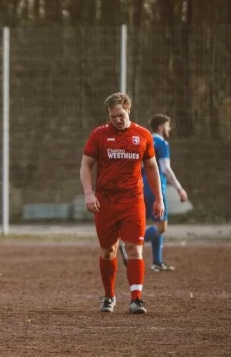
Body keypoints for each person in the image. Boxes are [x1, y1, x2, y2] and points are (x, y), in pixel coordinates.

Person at [80, 92, 164, 315]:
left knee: (134, 249)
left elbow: (152, 168)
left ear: (129, 110)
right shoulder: (98, 135)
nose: (117, 119)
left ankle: (136, 299)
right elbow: (86, 165)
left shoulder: (143, 135)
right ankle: (109, 296)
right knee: (108, 251)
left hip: (132, 200)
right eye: (112, 116)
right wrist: (89, 194)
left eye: (120, 115)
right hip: (105, 202)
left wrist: (158, 198)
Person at [141, 114, 188, 272]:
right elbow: (166, 169)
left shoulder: (143, 141)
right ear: (160, 127)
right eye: (167, 126)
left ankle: (157, 261)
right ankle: (131, 245)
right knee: (161, 227)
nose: (169, 129)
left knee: (155, 224)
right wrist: (179, 188)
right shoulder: (162, 144)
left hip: (140, 187)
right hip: (156, 188)